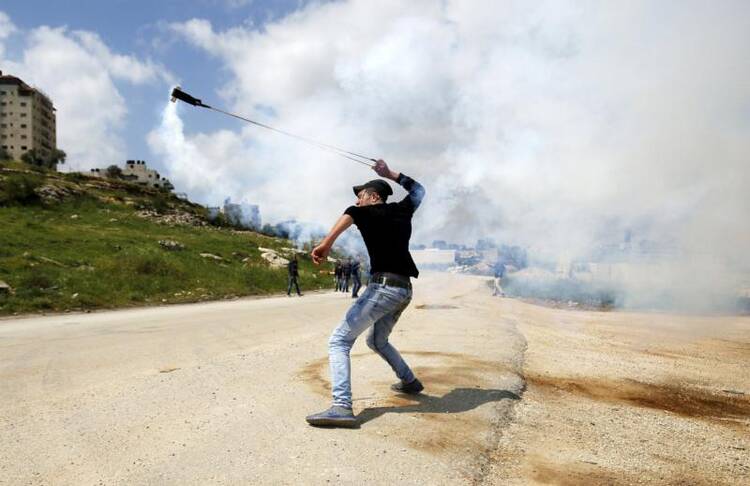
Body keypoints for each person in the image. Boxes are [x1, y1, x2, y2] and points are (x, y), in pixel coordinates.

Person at [306, 159, 426, 427]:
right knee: (377, 341)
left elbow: (350, 212)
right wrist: (390, 173)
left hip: (382, 288)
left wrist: (325, 245)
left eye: (361, 197)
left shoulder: (365, 212)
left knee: (339, 341)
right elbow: (419, 190)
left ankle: (341, 406)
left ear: (373, 197)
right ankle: (409, 381)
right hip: (404, 289)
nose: (358, 202)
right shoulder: (402, 210)